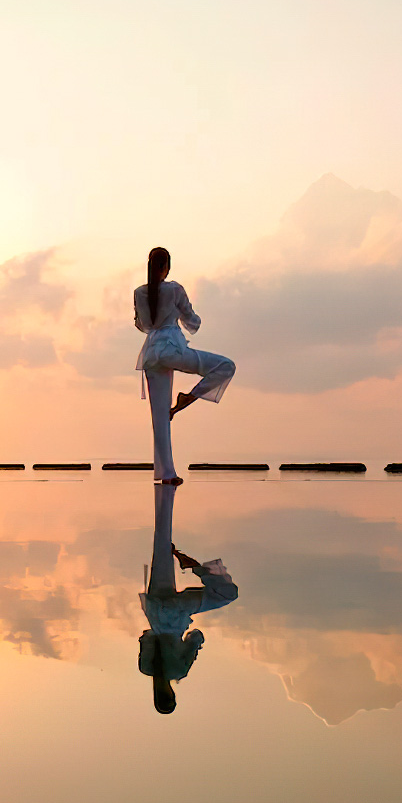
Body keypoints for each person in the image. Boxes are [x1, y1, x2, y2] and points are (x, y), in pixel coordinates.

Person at [135, 247, 235, 485]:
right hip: (172, 349)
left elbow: (142, 325)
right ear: (167, 266)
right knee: (225, 366)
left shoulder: (139, 292)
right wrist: (186, 317)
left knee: (159, 417)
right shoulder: (174, 289)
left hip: (151, 354)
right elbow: (192, 320)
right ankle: (188, 398)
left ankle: (166, 474)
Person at [138, 483, 238, 714]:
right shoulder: (146, 669)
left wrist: (192, 638)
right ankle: (165, 492)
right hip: (155, 609)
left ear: (171, 695)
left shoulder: (178, 672)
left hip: (177, 615)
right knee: (160, 549)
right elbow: (146, 636)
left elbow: (196, 637)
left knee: (228, 595)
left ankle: (191, 565)